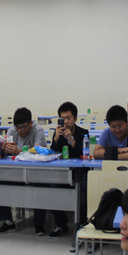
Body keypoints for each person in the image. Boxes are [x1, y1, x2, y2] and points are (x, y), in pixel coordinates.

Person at [38, 101, 89, 237]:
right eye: (62, 118)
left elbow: (85, 154)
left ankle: (82, 224)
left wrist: (71, 140)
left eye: (68, 118)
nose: (65, 121)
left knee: (83, 190)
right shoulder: (58, 133)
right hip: (63, 172)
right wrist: (55, 139)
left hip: (80, 172)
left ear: (75, 119)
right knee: (52, 188)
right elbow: (52, 154)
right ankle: (61, 224)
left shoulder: (83, 133)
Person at [0, 107, 47, 234]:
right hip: (17, 171)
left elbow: (37, 152)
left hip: (37, 171)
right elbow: (5, 151)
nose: (20, 131)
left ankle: (39, 224)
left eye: (23, 127)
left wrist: (18, 152)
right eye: (17, 127)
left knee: (41, 185)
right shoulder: (12, 131)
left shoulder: (38, 130)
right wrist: (3, 149)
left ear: (31, 123)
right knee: (0, 180)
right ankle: (8, 221)